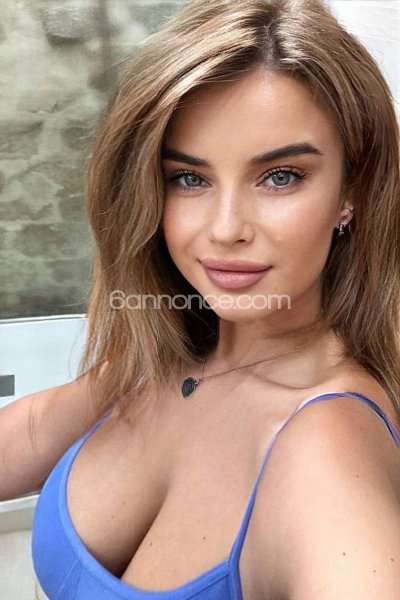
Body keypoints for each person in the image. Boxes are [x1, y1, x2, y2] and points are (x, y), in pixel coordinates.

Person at [0, 0, 399, 598]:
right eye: (189, 178)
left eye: (281, 176)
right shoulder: (163, 357)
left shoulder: (327, 450)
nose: (225, 228)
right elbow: (24, 437)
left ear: (353, 190)